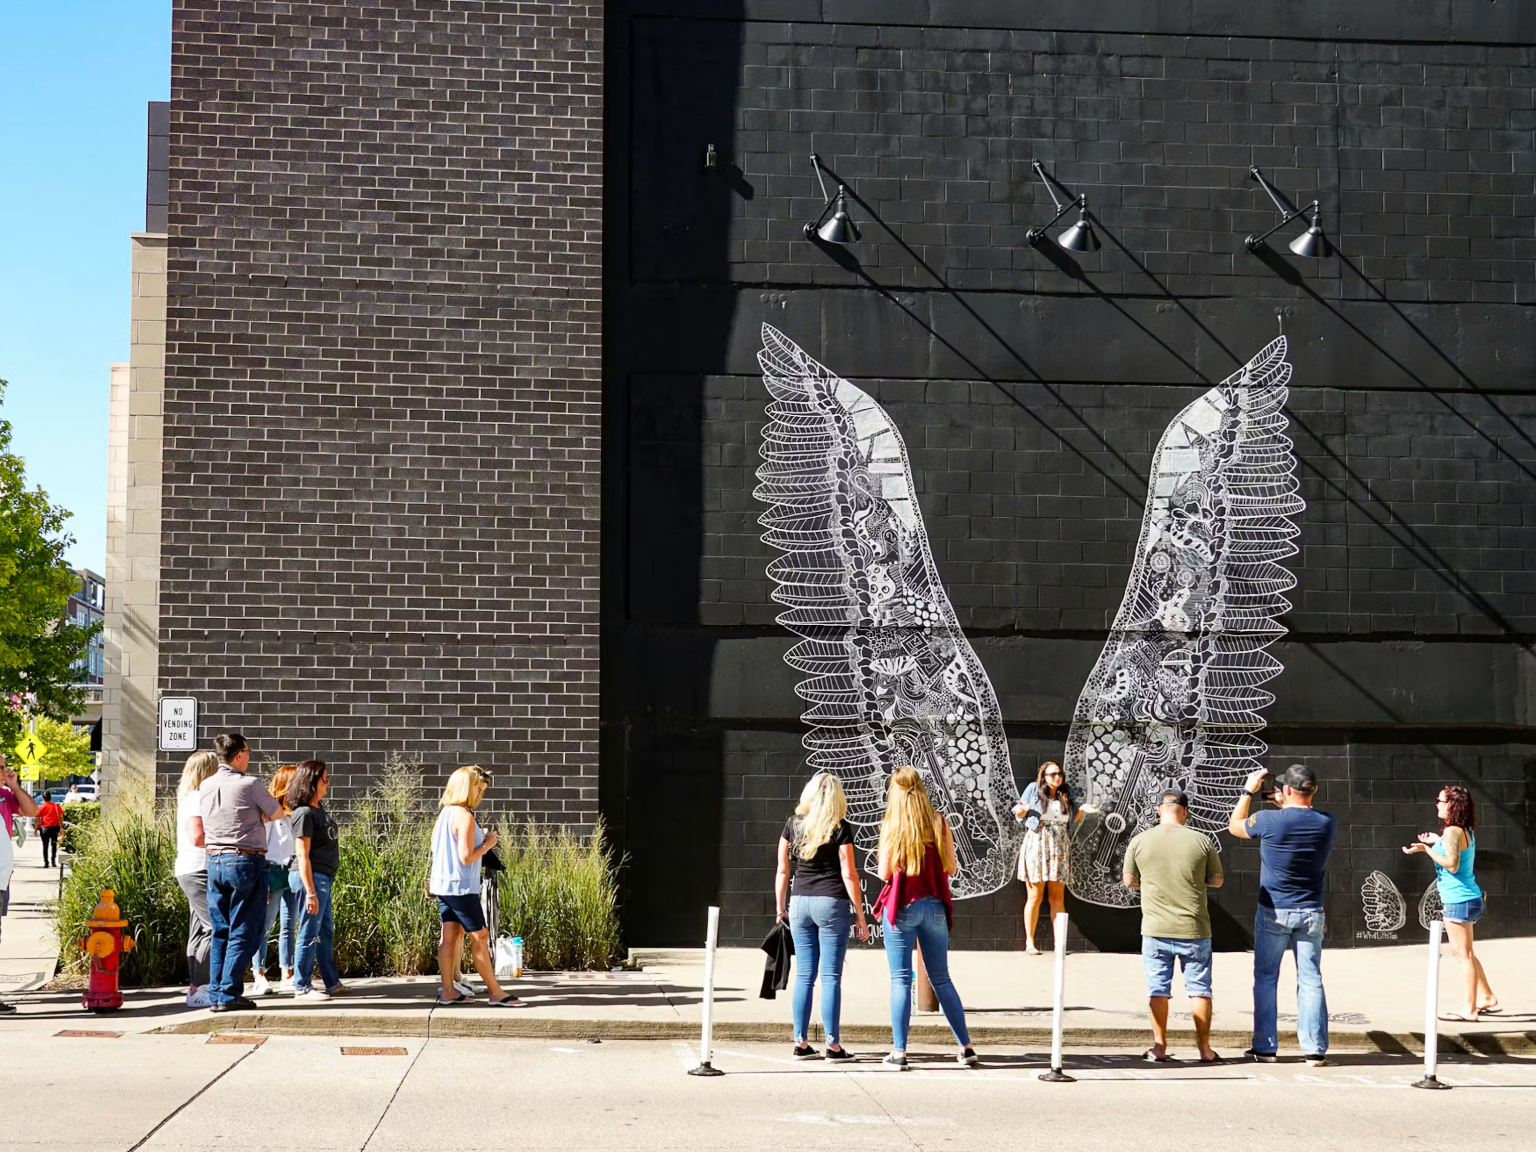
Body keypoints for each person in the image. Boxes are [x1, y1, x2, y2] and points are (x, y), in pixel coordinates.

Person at [1228, 762, 1337, 1066]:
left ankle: (1265, 1047)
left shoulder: (1268, 820)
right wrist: (1286, 802)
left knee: (1266, 978)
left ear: (1286, 790)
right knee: (1311, 978)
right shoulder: (1327, 822)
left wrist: (1248, 791)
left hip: (1274, 911)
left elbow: (1235, 825)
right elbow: (1301, 814)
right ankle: (1314, 1049)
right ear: (1313, 789)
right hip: (1311, 910)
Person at [871, 766, 978, 1070]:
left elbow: (883, 873)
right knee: (941, 978)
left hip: (902, 906)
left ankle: (900, 1052)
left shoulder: (892, 824)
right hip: (934, 907)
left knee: (900, 980)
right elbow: (953, 868)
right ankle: (966, 1047)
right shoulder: (939, 822)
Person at [774, 773, 871, 1061]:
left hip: (800, 902)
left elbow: (782, 869)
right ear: (837, 798)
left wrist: (781, 908)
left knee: (804, 974)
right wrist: (861, 915)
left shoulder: (792, 825)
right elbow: (849, 873)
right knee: (830, 976)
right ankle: (833, 1045)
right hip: (831, 903)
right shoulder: (840, 827)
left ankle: (800, 1042)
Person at [1123, 788, 1223, 1063]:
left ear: (1159, 810)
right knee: (1200, 989)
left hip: (1155, 927)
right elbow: (1216, 879)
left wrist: (1153, 882)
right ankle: (1204, 1049)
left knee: (1158, 988)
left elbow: (1129, 880)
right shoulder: (1202, 840)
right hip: (1194, 928)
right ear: (1185, 812)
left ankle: (1159, 1047)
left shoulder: (1140, 841)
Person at [199, 732, 283, 1012]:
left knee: (220, 929)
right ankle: (227, 993)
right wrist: (259, 815)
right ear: (239, 755)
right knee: (245, 929)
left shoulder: (206, 785)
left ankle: (217, 993)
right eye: (247, 752)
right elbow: (277, 813)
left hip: (214, 861)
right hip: (246, 860)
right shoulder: (250, 784)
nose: (249, 757)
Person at [428, 765, 523, 1007]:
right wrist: (488, 843)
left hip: (443, 885)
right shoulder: (465, 816)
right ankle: (495, 992)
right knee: (480, 937)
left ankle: (448, 990)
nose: (480, 794)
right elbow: (466, 857)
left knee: (450, 936)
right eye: (478, 789)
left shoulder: (445, 814)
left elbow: (440, 849)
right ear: (466, 788)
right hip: (461, 888)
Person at [1404, 784, 1497, 1022]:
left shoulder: (1453, 831)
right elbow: (1453, 850)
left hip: (1459, 900)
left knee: (1462, 955)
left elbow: (1452, 864)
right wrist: (1437, 841)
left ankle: (1470, 1008)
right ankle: (1486, 996)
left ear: (1451, 805)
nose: (1437, 803)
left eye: (1440, 800)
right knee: (1468, 953)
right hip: (1469, 898)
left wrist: (1426, 849)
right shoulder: (1462, 830)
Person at [1013, 760, 1098, 955]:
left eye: (1059, 774)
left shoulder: (1066, 792)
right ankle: (1030, 942)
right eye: (1052, 774)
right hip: (1038, 841)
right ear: (1044, 776)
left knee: (1057, 896)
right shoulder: (1033, 789)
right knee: (1034, 896)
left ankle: (1059, 944)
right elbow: (1019, 814)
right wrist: (1023, 810)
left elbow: (1070, 819)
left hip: (1060, 844)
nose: (1057, 777)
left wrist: (1082, 810)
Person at [287, 759, 347, 1000]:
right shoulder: (303, 813)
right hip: (310, 879)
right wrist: (310, 891)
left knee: (325, 931)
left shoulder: (319, 810)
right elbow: (302, 854)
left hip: (323, 878)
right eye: (325, 779)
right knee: (309, 932)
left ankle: (331, 982)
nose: (328, 783)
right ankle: (301, 986)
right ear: (312, 781)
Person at [173, 750, 221, 1008]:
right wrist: (226, 840)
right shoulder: (197, 799)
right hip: (198, 869)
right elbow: (197, 837)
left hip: (190, 869)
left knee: (198, 930)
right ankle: (200, 988)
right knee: (213, 927)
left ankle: (195, 988)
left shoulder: (190, 798)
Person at [249, 764, 297, 997]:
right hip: (272, 871)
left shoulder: (296, 813)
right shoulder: (269, 814)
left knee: (289, 924)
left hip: (292, 869)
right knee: (265, 925)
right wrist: (263, 880)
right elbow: (262, 846)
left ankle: (287, 971)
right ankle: (258, 973)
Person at [0, 755, 40, 1014]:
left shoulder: (5, 794)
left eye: (4, 767)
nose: (6, 770)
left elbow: (32, 811)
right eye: (2, 767)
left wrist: (14, 786)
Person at [35, 792, 63, 867]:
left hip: (44, 828)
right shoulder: (56, 806)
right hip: (54, 827)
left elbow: (37, 819)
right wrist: (61, 826)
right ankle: (53, 862)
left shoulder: (41, 807)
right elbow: (61, 817)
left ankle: (46, 862)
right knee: (54, 845)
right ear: (50, 798)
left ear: (43, 798)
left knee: (45, 845)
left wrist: (35, 829)